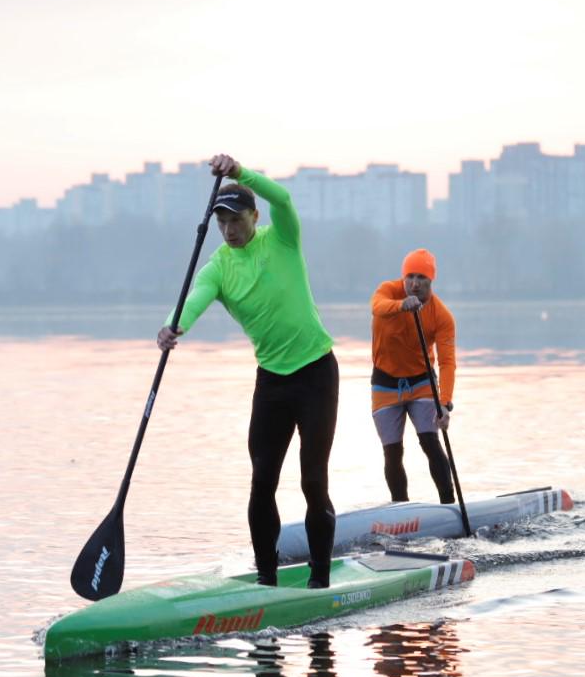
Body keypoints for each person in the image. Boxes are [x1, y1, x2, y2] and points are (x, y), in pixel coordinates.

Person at [157, 154, 338, 588]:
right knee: (262, 483)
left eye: (236, 220)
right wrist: (173, 324)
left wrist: (240, 172)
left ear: (254, 217)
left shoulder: (284, 239)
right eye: (221, 222)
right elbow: (196, 295)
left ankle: (320, 580)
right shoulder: (219, 266)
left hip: (316, 374)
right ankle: (266, 580)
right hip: (272, 382)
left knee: (313, 480)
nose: (228, 229)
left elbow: (285, 197)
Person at [369, 248, 457, 504]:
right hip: (385, 383)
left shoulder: (442, 316)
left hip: (421, 382)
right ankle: (401, 508)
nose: (415, 284)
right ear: (403, 277)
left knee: (430, 441)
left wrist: (445, 402)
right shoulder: (388, 291)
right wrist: (401, 305)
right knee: (392, 453)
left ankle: (448, 503)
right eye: (410, 277)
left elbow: (447, 362)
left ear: (431, 281)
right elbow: (377, 307)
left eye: (422, 278)